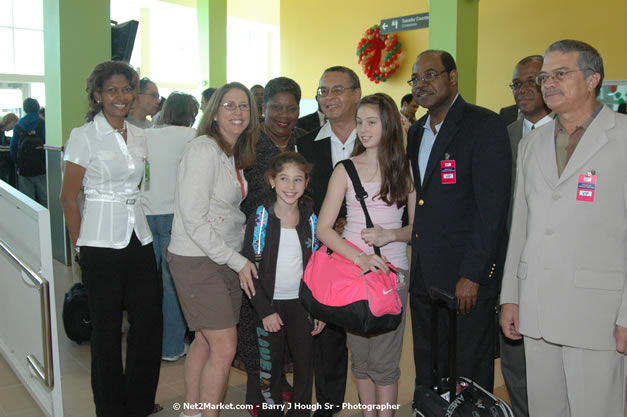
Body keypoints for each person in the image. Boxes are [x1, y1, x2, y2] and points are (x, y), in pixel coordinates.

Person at [500, 39, 627, 417]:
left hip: (597, 313)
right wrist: (511, 296)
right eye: (544, 77)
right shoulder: (533, 143)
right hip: (537, 308)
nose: (548, 84)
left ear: (593, 80)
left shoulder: (622, 136)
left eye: (560, 74)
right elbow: (521, 224)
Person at [406, 50, 511, 409]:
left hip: (464, 280)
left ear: (453, 78)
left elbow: (492, 209)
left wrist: (474, 274)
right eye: (416, 79)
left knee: (468, 375)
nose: (422, 84)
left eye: (430, 75)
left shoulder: (483, 125)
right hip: (424, 277)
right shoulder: (417, 131)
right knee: (430, 369)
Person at [60, 60, 162, 417]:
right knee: (105, 331)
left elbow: (139, 184)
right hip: (100, 242)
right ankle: (110, 407)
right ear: (98, 95)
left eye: (126, 88)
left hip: (138, 235)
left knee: (149, 322)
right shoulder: (84, 136)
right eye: (111, 90)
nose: (120, 96)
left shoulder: (138, 134)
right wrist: (79, 247)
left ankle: (138, 402)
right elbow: (68, 198)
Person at [317, 93, 415, 417]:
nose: (363, 129)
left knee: (384, 360)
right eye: (360, 122)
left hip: (392, 274)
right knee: (359, 357)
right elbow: (324, 229)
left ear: (388, 125)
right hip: (353, 275)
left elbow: (418, 228)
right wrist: (358, 258)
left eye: (371, 122)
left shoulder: (406, 170)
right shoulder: (344, 169)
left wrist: (391, 235)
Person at [166, 82, 258, 417]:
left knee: (205, 341)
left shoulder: (231, 152)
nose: (238, 112)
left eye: (244, 106)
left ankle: (191, 411)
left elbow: (227, 213)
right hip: (196, 258)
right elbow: (193, 217)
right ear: (214, 112)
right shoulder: (203, 149)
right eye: (230, 105)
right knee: (225, 347)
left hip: (223, 257)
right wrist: (237, 260)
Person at [237, 76, 305, 414]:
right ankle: (258, 391)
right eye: (276, 107)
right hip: (256, 244)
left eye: (291, 107)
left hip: (293, 243)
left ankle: (281, 383)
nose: (284, 114)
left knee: (288, 322)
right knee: (257, 322)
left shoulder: (304, 141)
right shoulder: (247, 144)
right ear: (262, 109)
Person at [297, 65, 361, 416]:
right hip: (325, 249)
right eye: (324, 91)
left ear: (356, 93)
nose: (330, 97)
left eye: (338, 89)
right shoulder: (307, 143)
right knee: (329, 330)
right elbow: (299, 194)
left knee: (370, 327)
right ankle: (330, 405)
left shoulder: (375, 136)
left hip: (369, 247)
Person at [242, 151, 326, 417]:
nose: (291, 187)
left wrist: (318, 309)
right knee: (270, 368)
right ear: (272, 181)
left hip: (302, 306)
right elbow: (249, 268)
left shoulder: (312, 219)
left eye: (297, 180)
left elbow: (318, 268)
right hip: (269, 306)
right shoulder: (261, 218)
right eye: (284, 179)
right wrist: (264, 310)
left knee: (304, 366)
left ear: (306, 182)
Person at [499, 55, 552, 417]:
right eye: (518, 83)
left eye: (533, 81)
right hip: (511, 266)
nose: (524, 90)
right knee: (514, 359)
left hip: (556, 268)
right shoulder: (505, 135)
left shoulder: (571, 133)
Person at [142, 92, 199, 362]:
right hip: (175, 217)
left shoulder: (146, 134)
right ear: (191, 114)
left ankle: (147, 344)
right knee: (171, 286)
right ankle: (172, 346)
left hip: (144, 214)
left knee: (146, 286)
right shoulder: (194, 137)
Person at [10, 97, 47, 206]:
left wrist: (18, 163)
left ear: (25, 109)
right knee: (45, 197)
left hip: (24, 169)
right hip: (41, 168)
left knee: (27, 201)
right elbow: (46, 143)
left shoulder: (18, 125)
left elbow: (13, 148)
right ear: (38, 108)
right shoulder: (43, 124)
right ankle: (48, 222)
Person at [0, 113, 18, 186]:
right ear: (11, 122)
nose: (13, 128)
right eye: (14, 125)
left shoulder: (2, 131)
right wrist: (12, 146)